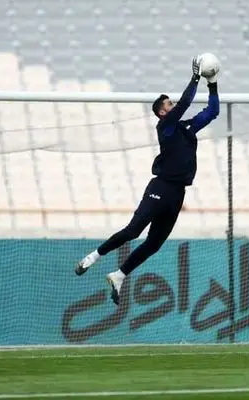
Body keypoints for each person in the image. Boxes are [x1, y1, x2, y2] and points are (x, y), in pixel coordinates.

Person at [75, 55, 220, 305]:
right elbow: (186, 102)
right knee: (133, 231)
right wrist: (195, 78)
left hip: (177, 194)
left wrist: (213, 83)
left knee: (154, 244)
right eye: (169, 104)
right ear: (162, 112)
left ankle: (119, 275)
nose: (174, 105)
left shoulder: (186, 128)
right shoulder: (165, 128)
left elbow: (213, 111)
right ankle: (93, 257)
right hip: (160, 188)